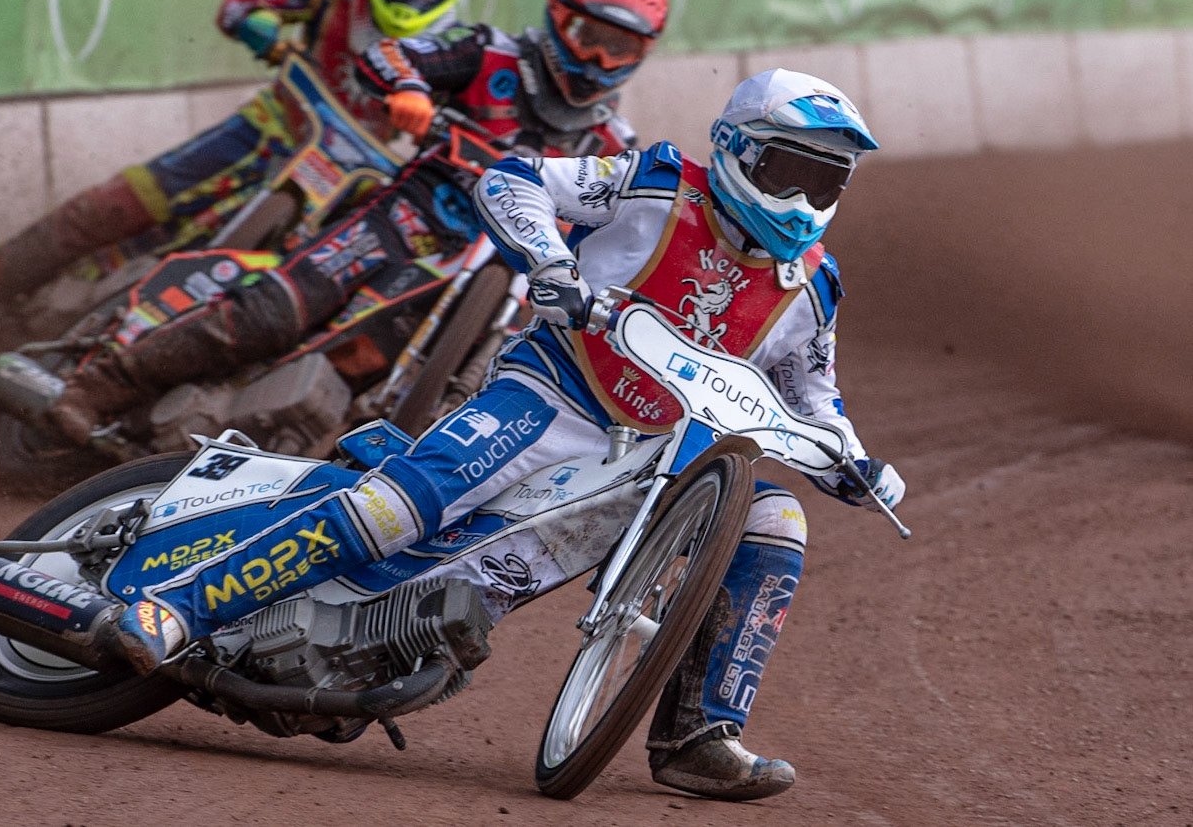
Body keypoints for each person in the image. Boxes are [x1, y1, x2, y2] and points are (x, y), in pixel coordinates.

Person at [88, 67, 907, 801]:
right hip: (554, 390)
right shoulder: (654, 182)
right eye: (790, 172)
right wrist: (552, 264)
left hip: (662, 450)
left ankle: (699, 736)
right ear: (736, 150)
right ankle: (181, 606)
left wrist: (854, 461)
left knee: (773, 519)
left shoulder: (814, 283)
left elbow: (813, 393)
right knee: (403, 508)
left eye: (825, 182)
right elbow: (517, 179)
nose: (804, 201)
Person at [43, 0, 670, 443]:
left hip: (491, 269)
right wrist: (412, 93)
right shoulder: (489, 54)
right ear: (558, 15)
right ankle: (98, 386)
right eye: (590, 37)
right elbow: (392, 55)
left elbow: (632, 229)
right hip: (405, 217)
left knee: (406, 362)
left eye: (621, 47)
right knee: (272, 313)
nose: (599, 59)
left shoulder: (614, 143)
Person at [0, 0, 478, 330]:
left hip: (346, 176)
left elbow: (468, 123)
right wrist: (262, 32)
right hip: (270, 124)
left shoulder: (456, 45)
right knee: (122, 202)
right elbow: (240, 5)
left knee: (284, 286)